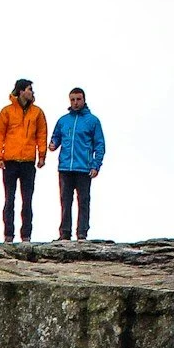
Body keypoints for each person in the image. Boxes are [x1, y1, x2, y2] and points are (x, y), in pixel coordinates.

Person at [0, 78, 47, 243]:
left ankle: (26, 236)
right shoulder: (7, 112)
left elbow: (41, 134)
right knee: (9, 199)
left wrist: (42, 155)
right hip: (10, 161)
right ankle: (8, 235)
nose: (32, 92)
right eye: (29, 89)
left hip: (28, 161)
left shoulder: (37, 112)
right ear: (21, 91)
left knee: (27, 200)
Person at [50, 87, 105, 239]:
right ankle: (65, 233)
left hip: (84, 168)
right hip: (65, 167)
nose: (75, 103)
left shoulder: (92, 121)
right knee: (65, 202)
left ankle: (82, 233)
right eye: (72, 100)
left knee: (83, 201)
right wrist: (53, 143)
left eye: (78, 99)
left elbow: (99, 145)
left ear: (84, 99)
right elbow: (56, 137)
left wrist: (96, 165)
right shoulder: (63, 120)